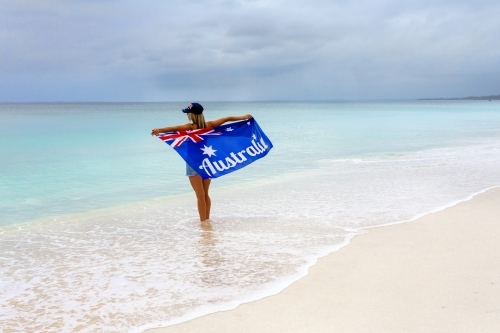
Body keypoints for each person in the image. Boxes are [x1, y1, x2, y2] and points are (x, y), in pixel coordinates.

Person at [151, 103, 252, 222]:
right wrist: (243, 117)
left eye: (188, 113)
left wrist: (159, 130)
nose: (187, 115)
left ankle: (203, 223)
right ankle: (207, 221)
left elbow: (173, 129)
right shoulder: (209, 125)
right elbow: (227, 119)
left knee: (200, 195)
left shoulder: (189, 127)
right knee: (205, 194)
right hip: (207, 162)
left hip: (193, 163)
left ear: (192, 115)